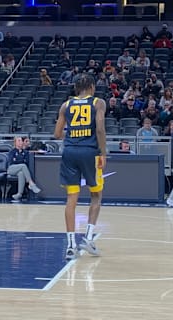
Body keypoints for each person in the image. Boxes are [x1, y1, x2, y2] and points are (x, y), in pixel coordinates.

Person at [54, 74, 107, 260]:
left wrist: (73, 138)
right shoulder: (98, 103)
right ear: (92, 87)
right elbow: (100, 128)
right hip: (90, 152)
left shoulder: (66, 105)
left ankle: (70, 246)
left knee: (71, 199)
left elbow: (57, 133)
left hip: (69, 152)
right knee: (96, 195)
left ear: (76, 88)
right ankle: (89, 238)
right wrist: (103, 152)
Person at [7, 137, 41, 201]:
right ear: (15, 143)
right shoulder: (12, 152)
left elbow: (25, 161)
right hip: (11, 169)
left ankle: (19, 194)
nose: (21, 142)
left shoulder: (25, 152)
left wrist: (18, 160)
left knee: (21, 173)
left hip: (20, 170)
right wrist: (20, 161)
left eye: (21, 141)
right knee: (23, 165)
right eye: (19, 141)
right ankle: (31, 183)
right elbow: (12, 162)